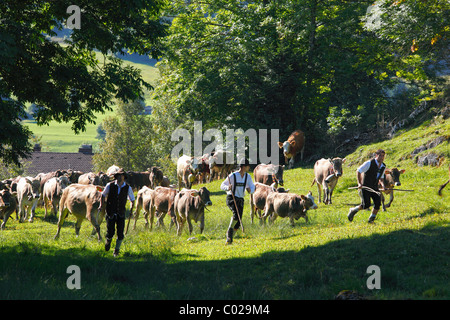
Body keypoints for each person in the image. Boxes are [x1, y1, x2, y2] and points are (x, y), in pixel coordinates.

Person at [99, 168, 135, 257]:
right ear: (116, 177)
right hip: (110, 212)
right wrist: (101, 205)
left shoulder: (127, 187)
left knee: (120, 233)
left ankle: (116, 250)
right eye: (118, 176)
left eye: (121, 176)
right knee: (110, 231)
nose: (120, 177)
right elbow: (103, 195)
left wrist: (131, 209)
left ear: (124, 177)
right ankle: (109, 240)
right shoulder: (109, 185)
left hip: (121, 213)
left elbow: (132, 199)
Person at [220, 158, 255, 244]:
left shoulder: (247, 176)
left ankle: (230, 238)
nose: (248, 168)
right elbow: (222, 185)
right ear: (243, 167)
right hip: (231, 198)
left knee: (238, 223)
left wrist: (251, 190)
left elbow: (253, 186)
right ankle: (229, 232)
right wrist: (227, 188)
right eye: (247, 166)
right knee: (236, 216)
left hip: (240, 199)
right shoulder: (233, 175)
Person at [348, 149, 387, 223]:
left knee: (378, 203)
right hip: (365, 186)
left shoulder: (383, 166)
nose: (382, 157)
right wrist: (359, 183)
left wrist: (383, 186)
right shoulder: (369, 163)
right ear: (376, 155)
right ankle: (353, 210)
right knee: (366, 205)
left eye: (383, 156)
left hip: (375, 187)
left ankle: (371, 219)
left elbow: (381, 178)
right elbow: (358, 171)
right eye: (380, 155)